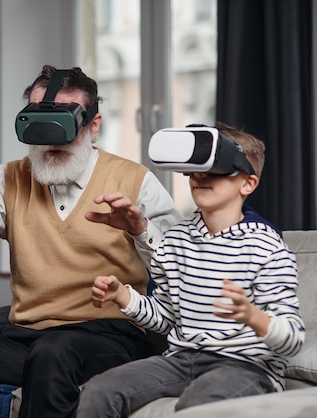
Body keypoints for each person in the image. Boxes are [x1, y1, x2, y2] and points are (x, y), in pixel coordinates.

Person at [0, 65, 183, 418]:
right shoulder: (9, 179)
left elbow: (182, 271)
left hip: (111, 338)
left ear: (93, 125)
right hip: (27, 339)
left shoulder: (134, 180)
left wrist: (140, 231)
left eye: (65, 121)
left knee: (55, 351)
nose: (52, 137)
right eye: (41, 120)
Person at [76, 122, 305, 417]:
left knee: (199, 402)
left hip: (246, 367)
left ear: (247, 184)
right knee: (100, 388)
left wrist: (254, 317)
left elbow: (294, 339)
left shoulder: (266, 246)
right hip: (182, 359)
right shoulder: (176, 239)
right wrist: (125, 297)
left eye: (216, 169)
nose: (200, 178)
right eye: (196, 170)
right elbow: (167, 319)